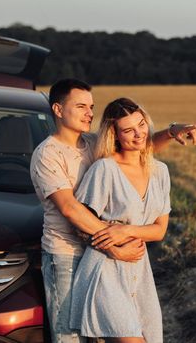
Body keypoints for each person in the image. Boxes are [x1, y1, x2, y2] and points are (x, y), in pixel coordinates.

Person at [30, 79, 196, 343]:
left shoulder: (93, 143)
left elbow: (138, 147)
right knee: (70, 338)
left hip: (102, 256)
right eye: (81, 106)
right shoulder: (47, 154)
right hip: (66, 254)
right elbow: (71, 209)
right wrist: (114, 244)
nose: (89, 113)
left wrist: (171, 131)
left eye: (92, 106)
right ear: (58, 110)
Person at [70, 98, 169, 342]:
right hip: (105, 271)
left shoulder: (160, 172)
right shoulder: (104, 169)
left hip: (139, 273)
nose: (139, 134)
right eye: (128, 130)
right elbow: (81, 225)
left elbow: (159, 230)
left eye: (141, 125)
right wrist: (115, 246)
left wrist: (125, 231)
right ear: (114, 135)